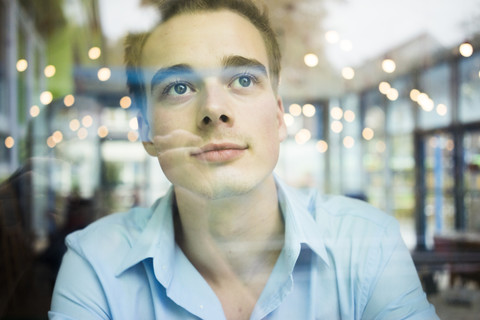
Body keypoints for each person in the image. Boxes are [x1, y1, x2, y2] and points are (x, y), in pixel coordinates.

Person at [49, 0, 439, 319]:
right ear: (146, 129)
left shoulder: (367, 245)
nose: (214, 109)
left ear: (279, 115)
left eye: (243, 80)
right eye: (178, 87)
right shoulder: (96, 265)